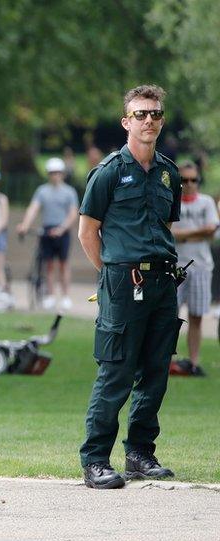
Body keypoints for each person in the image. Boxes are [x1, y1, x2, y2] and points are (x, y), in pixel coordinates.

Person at [78, 84, 182, 489]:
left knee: (155, 371)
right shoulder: (108, 172)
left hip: (163, 279)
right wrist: (109, 274)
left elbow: (165, 226)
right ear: (126, 121)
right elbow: (88, 231)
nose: (149, 120)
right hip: (124, 279)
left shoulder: (168, 172)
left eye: (155, 114)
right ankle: (95, 460)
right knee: (116, 371)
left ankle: (140, 453)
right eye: (140, 114)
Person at [171, 161, 217, 374]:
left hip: (201, 266)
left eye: (193, 180)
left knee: (196, 316)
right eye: (184, 180)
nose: (189, 184)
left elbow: (213, 231)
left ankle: (194, 362)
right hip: (174, 267)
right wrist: (198, 233)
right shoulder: (171, 201)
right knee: (170, 318)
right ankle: (167, 362)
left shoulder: (206, 202)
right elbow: (169, 234)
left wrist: (185, 236)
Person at [17, 157, 79, 311]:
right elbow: (33, 209)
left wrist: (62, 229)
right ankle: (51, 295)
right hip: (46, 231)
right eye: (52, 173)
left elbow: (73, 214)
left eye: (57, 172)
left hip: (62, 231)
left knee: (64, 265)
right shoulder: (42, 191)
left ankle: (65, 296)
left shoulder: (69, 192)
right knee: (49, 265)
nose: (55, 175)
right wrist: (25, 225)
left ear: (62, 174)